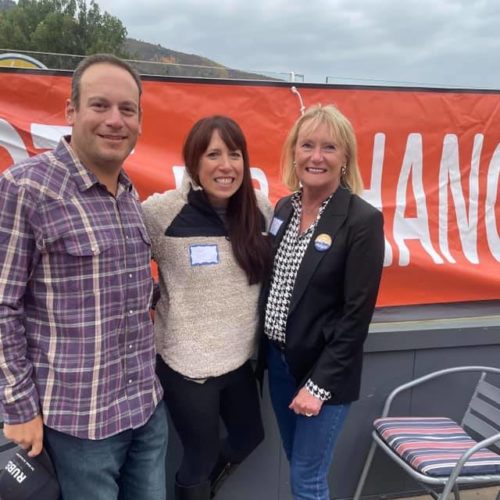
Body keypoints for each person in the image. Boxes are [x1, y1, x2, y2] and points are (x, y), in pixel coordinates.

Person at [0, 54, 167, 500]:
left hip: (146, 412)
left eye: (127, 110)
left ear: (139, 120)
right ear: (71, 112)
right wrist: (18, 409)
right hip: (78, 427)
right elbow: (2, 306)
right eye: (100, 106)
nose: (115, 120)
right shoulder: (26, 188)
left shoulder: (129, 194)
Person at [142, 115, 272, 500]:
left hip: (237, 362)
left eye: (234, 154)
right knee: (199, 456)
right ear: (193, 161)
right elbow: (121, 265)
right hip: (186, 366)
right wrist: (154, 297)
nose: (226, 165)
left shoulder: (259, 208)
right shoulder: (160, 213)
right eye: (213, 154)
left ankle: (204, 493)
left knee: (250, 437)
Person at [261, 104, 385, 500]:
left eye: (329, 147)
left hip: (322, 373)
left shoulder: (362, 220)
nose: (317, 157)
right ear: (293, 153)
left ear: (345, 157)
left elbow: (355, 318)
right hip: (280, 365)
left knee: (308, 480)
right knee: (297, 461)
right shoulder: (283, 209)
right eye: (307, 145)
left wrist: (317, 386)